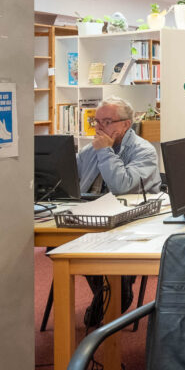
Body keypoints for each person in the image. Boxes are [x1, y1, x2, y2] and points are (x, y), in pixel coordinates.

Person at [75, 96, 160, 327]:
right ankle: (112, 291)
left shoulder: (144, 151)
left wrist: (105, 152)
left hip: (129, 220)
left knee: (103, 244)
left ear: (126, 124)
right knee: (63, 243)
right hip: (88, 218)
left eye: (107, 121)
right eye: (97, 121)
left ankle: (115, 290)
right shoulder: (88, 151)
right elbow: (68, 180)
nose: (100, 127)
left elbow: (122, 187)